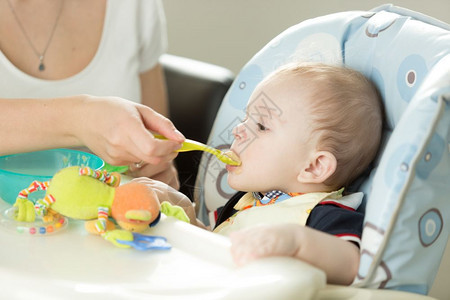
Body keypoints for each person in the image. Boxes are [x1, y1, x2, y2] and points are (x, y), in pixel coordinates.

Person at [143, 62, 383, 285]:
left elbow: (353, 265)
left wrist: (296, 242)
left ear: (315, 166)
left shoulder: (324, 216)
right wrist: (182, 210)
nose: (237, 129)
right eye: (246, 118)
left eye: (260, 126)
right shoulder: (245, 201)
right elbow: (215, 246)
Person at [0, 0, 181, 187]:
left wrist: (156, 170)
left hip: (111, 212)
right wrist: (80, 118)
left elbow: (157, 146)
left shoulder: (135, 5)